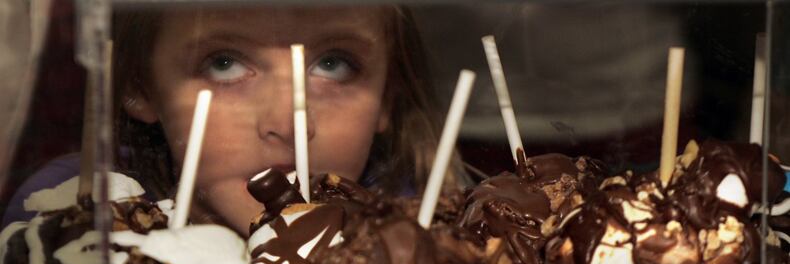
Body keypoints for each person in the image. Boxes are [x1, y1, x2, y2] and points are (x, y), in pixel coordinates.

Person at [3, 5, 469, 234]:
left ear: (387, 96)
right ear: (139, 87)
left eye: (333, 64)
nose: (289, 123)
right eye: (223, 63)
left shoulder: (419, 226)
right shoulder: (73, 216)